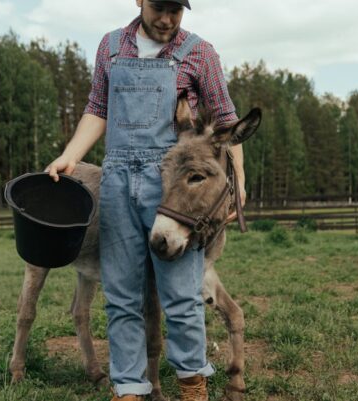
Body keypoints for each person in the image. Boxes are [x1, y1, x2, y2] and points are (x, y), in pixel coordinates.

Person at [45, 0, 245, 400]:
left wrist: (238, 183)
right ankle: (130, 390)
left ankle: (193, 387)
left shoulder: (200, 53)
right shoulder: (110, 46)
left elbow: (226, 119)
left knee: (182, 296)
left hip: (172, 187)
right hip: (117, 183)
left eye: (176, 10)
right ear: (139, 0)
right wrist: (70, 155)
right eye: (159, 7)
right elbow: (98, 108)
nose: (167, 19)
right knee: (122, 297)